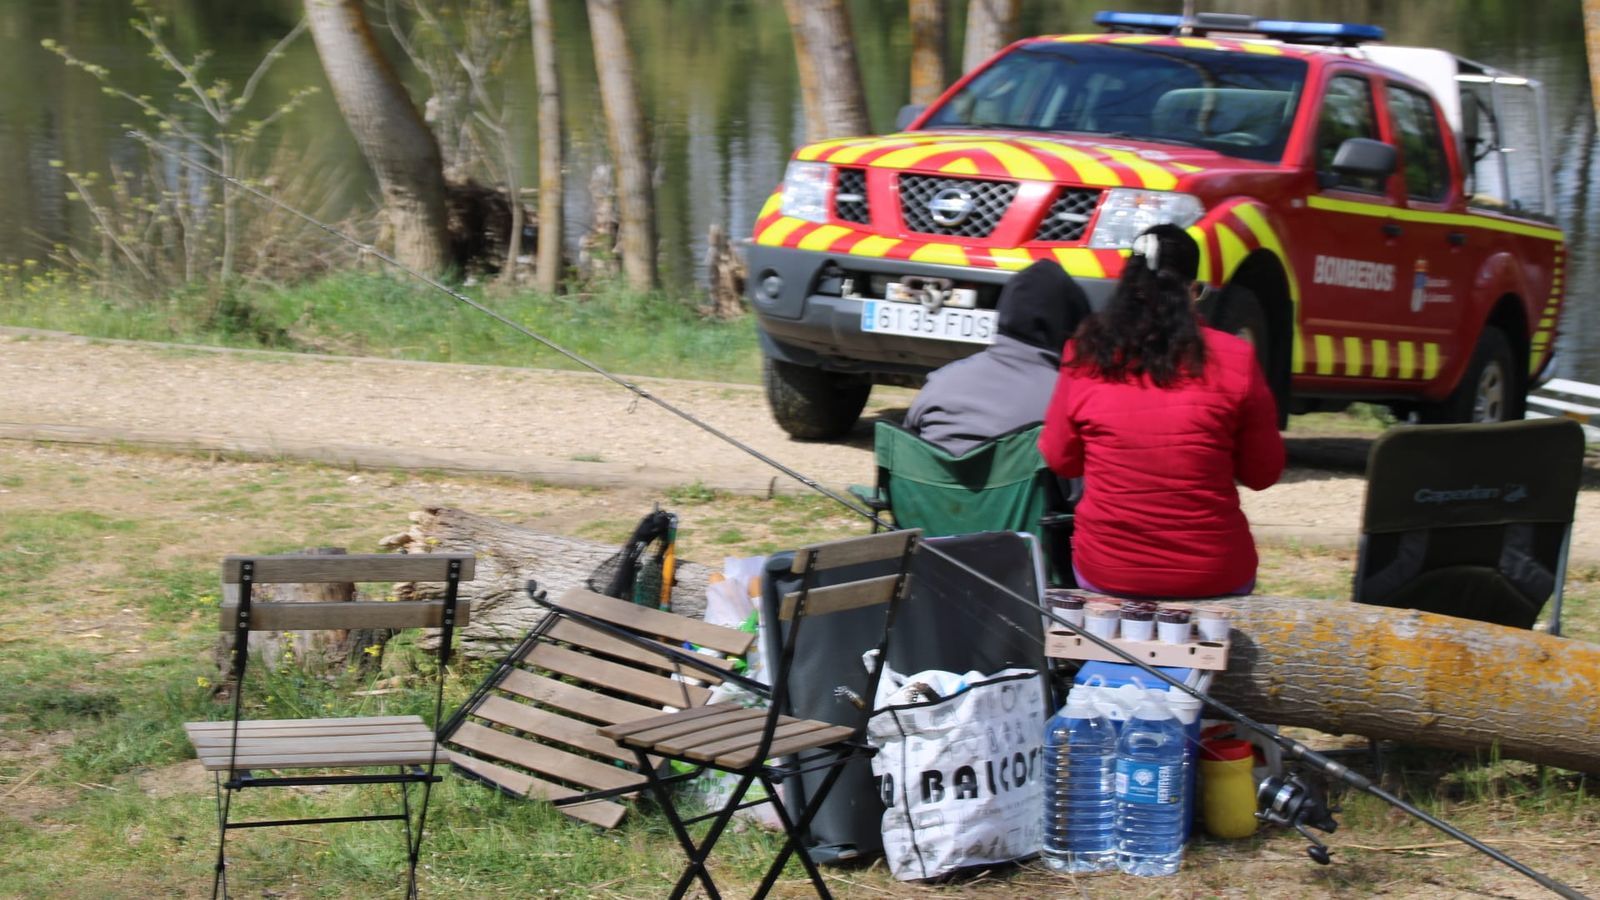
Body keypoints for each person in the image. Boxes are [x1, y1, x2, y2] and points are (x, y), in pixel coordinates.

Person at [1039, 224, 1285, 598]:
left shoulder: (1085, 353)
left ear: (1128, 286)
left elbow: (1061, 460)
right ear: (1191, 291)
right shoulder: (1236, 357)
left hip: (1107, 569)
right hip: (1213, 572)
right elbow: (1262, 473)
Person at [903, 258, 1090, 455]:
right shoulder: (1068, 400)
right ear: (1070, 324)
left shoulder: (941, 381)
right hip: (1025, 485)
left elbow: (906, 448)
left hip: (929, 485)